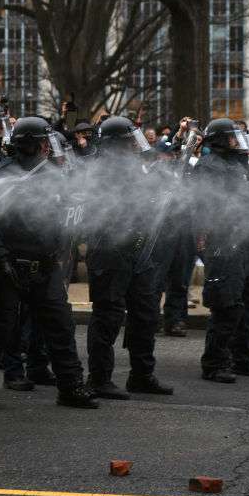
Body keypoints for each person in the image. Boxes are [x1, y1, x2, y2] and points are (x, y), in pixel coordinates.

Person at [0, 116, 98, 409]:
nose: (46, 147)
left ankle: (71, 386)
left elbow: (66, 212)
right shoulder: (3, 174)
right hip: (9, 265)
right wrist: (0, 259)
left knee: (61, 326)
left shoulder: (52, 174)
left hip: (45, 264)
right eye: (42, 141)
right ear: (32, 144)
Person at [84, 116, 174, 399]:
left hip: (138, 251)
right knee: (108, 316)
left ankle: (142, 375)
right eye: (129, 141)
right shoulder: (99, 171)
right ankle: (98, 379)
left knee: (146, 314)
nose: (136, 145)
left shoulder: (137, 168)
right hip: (110, 253)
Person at [193, 118, 249, 382]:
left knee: (248, 303)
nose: (238, 141)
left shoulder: (239, 164)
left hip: (245, 243)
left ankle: (243, 358)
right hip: (224, 243)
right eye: (233, 137)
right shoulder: (208, 166)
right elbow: (207, 205)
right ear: (220, 140)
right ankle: (214, 363)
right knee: (227, 305)